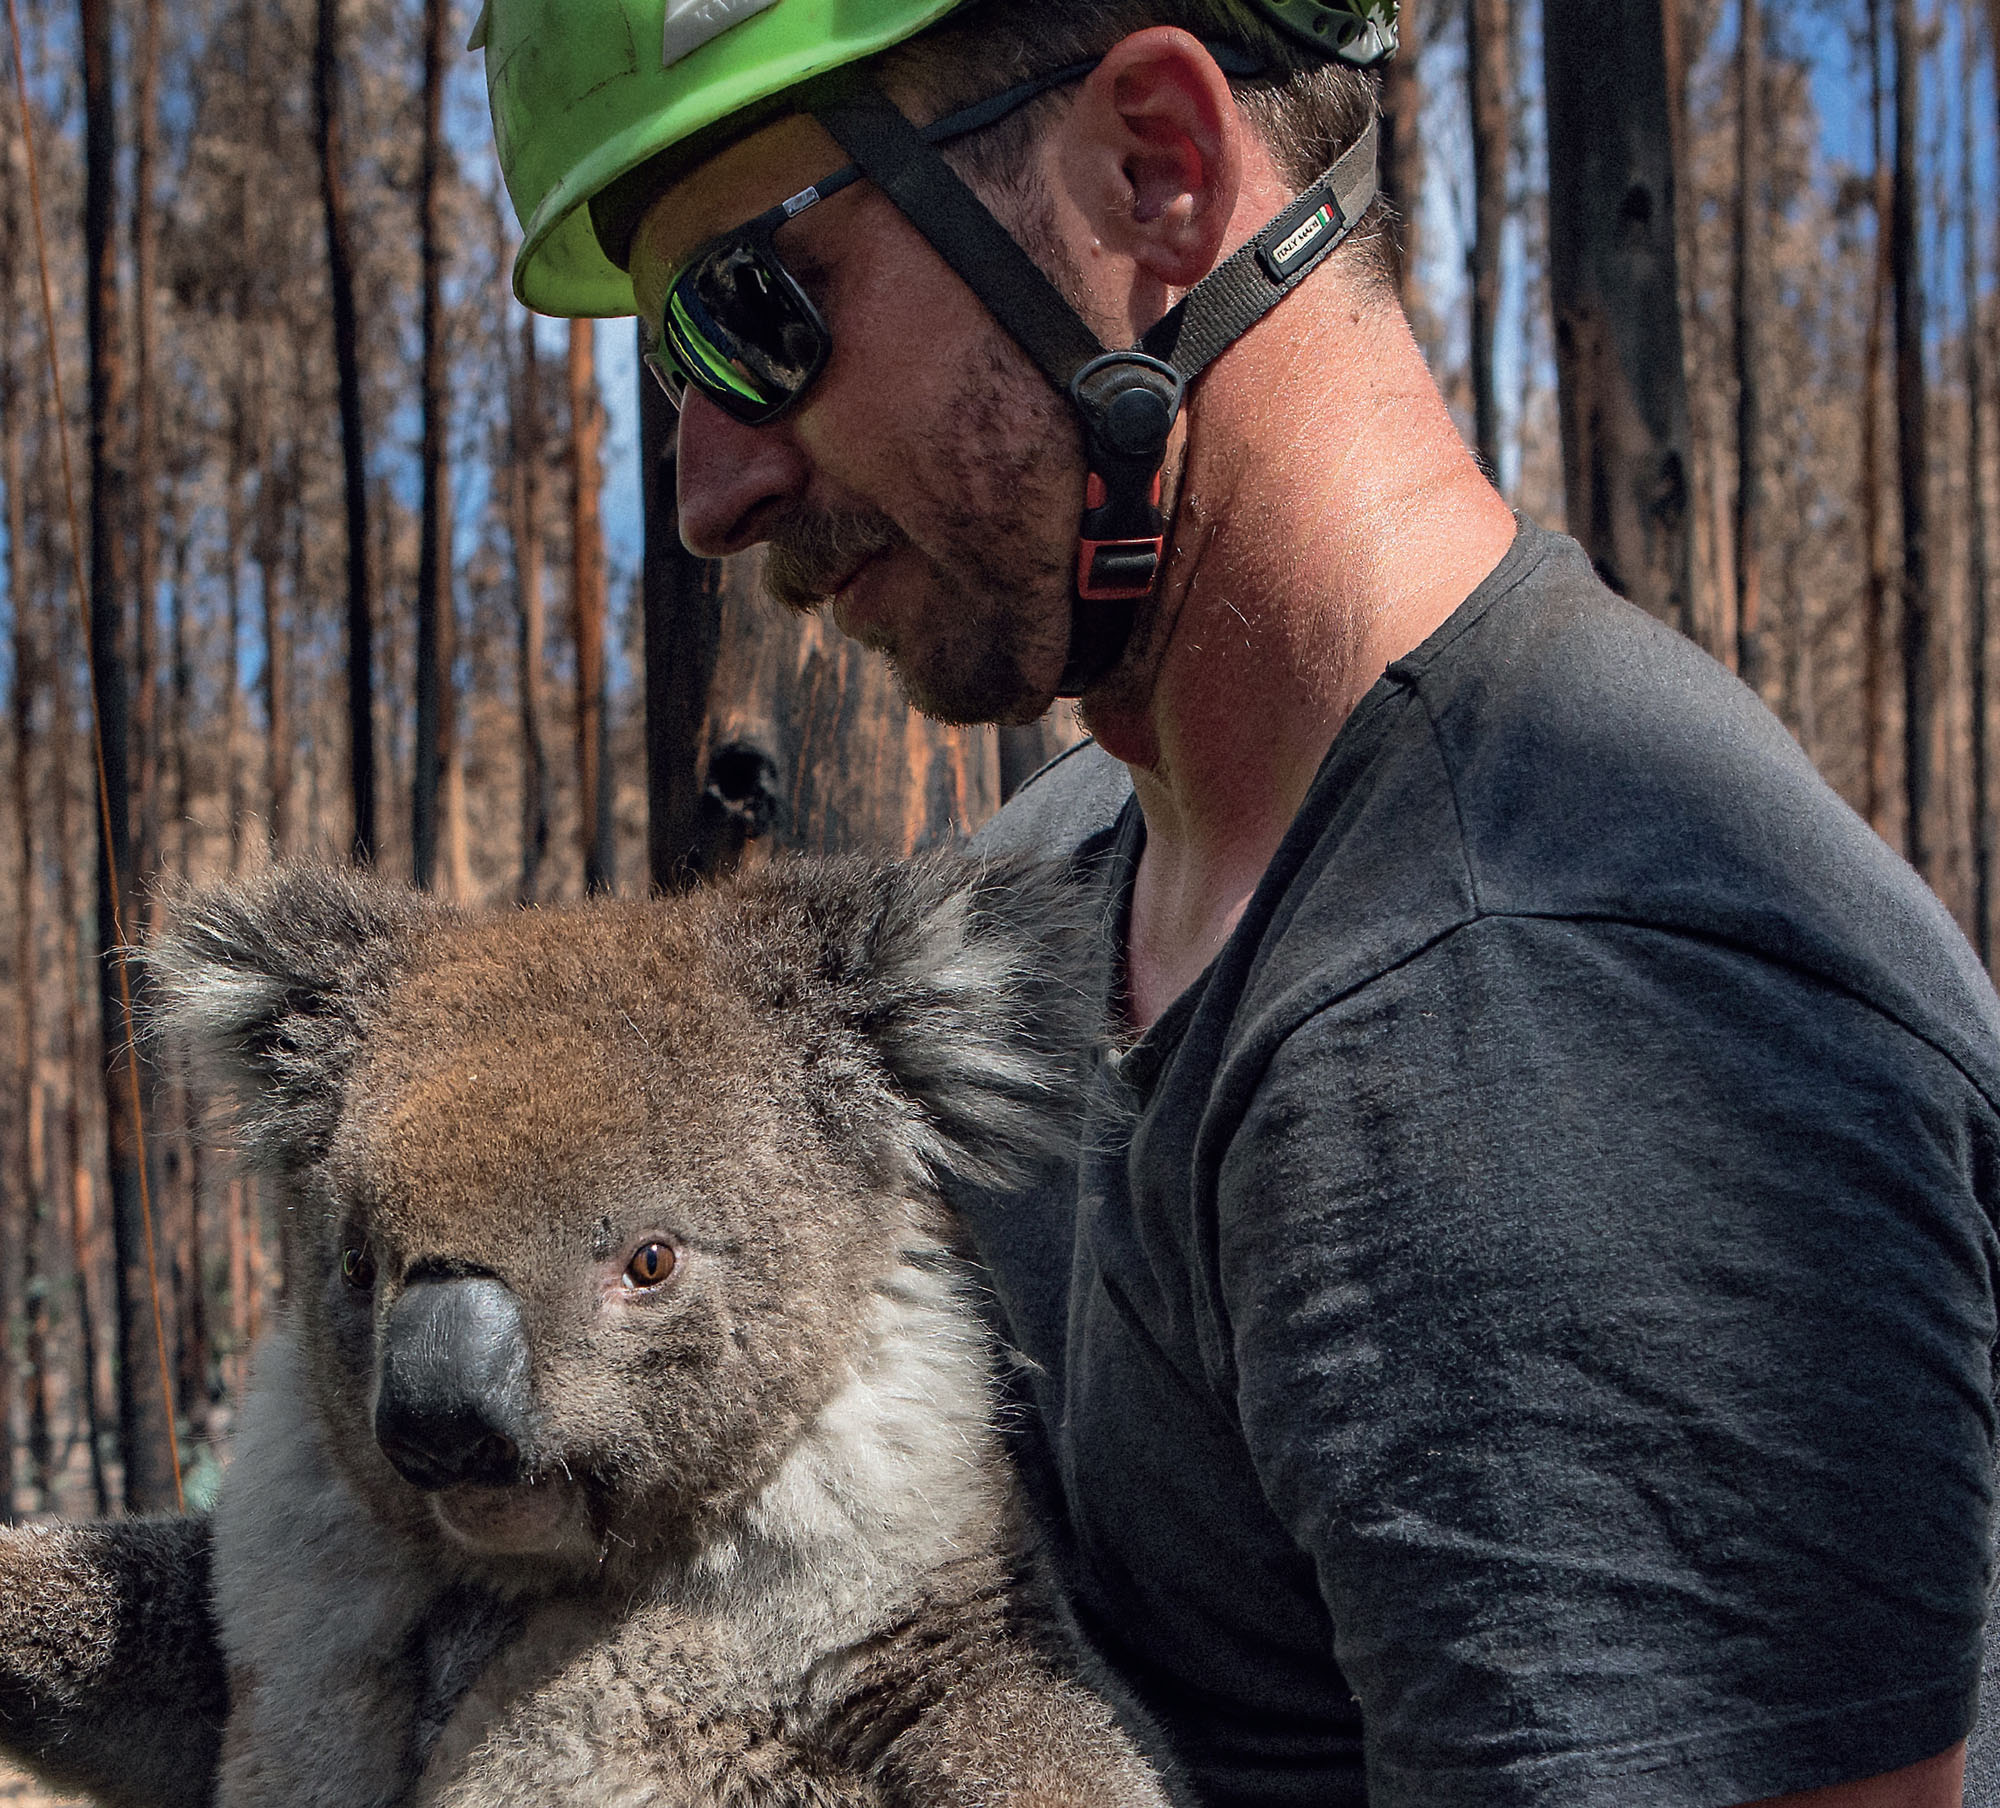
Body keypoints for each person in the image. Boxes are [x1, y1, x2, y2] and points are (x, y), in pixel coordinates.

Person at [481, 1, 2000, 1802]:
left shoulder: (1523, 1016)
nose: (714, 490)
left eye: (748, 316)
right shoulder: (1051, 891)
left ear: (1158, 169)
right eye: (667, 370)